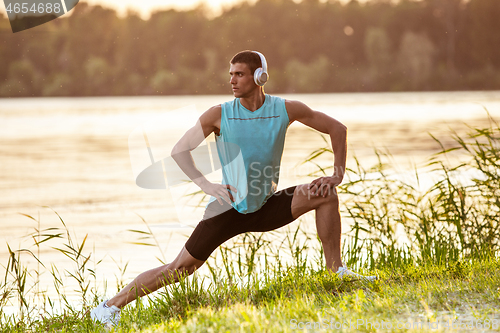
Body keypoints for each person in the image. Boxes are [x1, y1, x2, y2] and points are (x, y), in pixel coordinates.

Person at [90, 50, 376, 327]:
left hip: (266, 205)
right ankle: (109, 308)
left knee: (326, 195)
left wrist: (337, 175)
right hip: (227, 208)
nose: (232, 80)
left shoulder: (286, 109)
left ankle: (336, 272)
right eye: (231, 74)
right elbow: (180, 150)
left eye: (239, 74)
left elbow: (338, 129)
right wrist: (206, 185)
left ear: (260, 76)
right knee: (179, 269)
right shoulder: (219, 114)